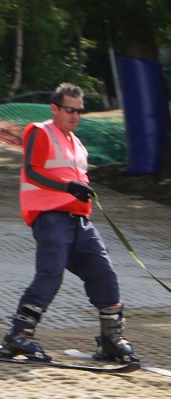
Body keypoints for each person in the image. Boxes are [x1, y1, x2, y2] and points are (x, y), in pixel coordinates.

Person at [1, 83, 135, 363]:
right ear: (55, 108)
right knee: (50, 274)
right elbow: (32, 172)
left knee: (104, 273)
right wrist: (69, 187)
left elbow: (74, 177)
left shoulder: (77, 142)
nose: (75, 116)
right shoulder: (40, 131)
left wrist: (81, 189)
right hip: (50, 217)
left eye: (79, 111)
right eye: (69, 110)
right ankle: (18, 336)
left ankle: (110, 340)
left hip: (79, 220)